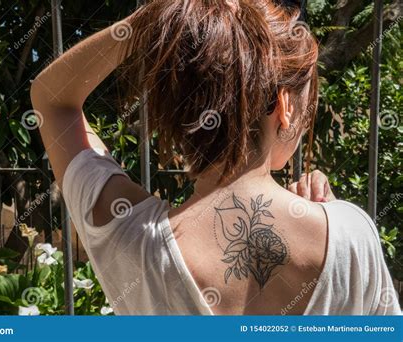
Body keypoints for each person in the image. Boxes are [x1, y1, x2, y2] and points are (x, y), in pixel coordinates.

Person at [30, 0, 401, 315]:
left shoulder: (129, 238)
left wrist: (152, 20)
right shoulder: (351, 237)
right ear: (284, 105)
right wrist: (333, 220)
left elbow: (52, 100)